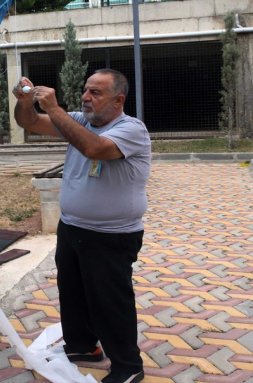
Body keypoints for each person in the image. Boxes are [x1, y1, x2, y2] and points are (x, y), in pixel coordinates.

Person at [13, 70, 151, 383]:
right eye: (85, 90)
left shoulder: (132, 129)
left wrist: (55, 109)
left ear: (118, 100)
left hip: (112, 235)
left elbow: (95, 149)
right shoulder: (79, 119)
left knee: (109, 302)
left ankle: (129, 367)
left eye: (96, 93)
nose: (86, 98)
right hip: (73, 227)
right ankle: (82, 348)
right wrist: (25, 103)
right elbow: (30, 123)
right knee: (73, 293)